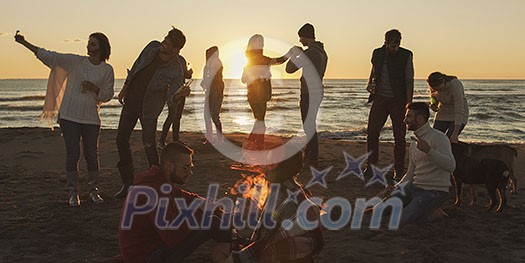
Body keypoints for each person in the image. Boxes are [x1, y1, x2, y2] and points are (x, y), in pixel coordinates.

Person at [15, 32, 115, 206]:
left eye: (93, 44)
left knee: (91, 155)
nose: (88, 47)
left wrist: (93, 88)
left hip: (91, 118)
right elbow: (50, 56)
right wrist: (25, 43)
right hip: (69, 116)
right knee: (73, 154)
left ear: (101, 47)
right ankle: (72, 193)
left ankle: (93, 191)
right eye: (88, 43)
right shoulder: (76, 62)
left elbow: (107, 95)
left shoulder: (107, 70)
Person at [118, 142, 231, 262]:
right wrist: (202, 214)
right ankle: (233, 250)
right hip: (146, 258)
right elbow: (171, 236)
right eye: (185, 168)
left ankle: (231, 246)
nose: (189, 172)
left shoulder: (161, 183)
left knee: (212, 218)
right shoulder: (153, 192)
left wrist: (215, 208)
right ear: (169, 166)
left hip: (152, 248)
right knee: (210, 221)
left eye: (191, 167)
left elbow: (190, 198)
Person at [115, 27, 190, 198]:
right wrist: (125, 88)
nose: (164, 42)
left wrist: (179, 94)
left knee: (149, 145)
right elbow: (136, 66)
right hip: (131, 102)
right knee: (121, 139)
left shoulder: (176, 68)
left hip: (149, 110)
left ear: (176, 49)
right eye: (165, 38)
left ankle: (158, 184)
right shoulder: (152, 47)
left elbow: (172, 99)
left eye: (168, 42)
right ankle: (128, 183)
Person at [233, 145, 324, 262]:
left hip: (285, 257)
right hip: (300, 254)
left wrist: (235, 257)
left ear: (282, 168)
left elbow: (261, 246)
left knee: (221, 252)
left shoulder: (280, 197)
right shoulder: (297, 191)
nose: (264, 167)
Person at [391, 102, 455, 226]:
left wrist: (429, 151)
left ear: (419, 119)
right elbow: (410, 173)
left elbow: (451, 166)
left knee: (400, 221)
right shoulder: (414, 144)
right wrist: (396, 187)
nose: (405, 120)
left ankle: (434, 213)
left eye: (408, 117)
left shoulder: (438, 138)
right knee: (379, 210)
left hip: (434, 192)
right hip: (414, 188)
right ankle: (422, 209)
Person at [364, 29, 414, 179]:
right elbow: (374, 71)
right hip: (379, 97)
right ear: (385, 43)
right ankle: (370, 167)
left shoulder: (406, 55)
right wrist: (369, 84)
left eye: (397, 45)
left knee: (399, 136)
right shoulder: (377, 53)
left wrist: (409, 104)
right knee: (372, 133)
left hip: (398, 100)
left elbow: (409, 80)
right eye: (392, 46)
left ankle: (398, 170)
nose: (395, 48)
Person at [286, 23, 328, 167]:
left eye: (300, 38)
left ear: (305, 37)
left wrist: (294, 54)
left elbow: (289, 69)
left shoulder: (310, 53)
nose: (300, 41)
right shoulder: (323, 52)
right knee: (310, 123)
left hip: (309, 92)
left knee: (308, 125)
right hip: (318, 90)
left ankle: (312, 158)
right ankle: (310, 155)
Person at [241, 34, 292, 149]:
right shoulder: (259, 59)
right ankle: (257, 145)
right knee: (260, 121)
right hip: (257, 93)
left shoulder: (251, 60)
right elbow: (280, 60)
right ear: (253, 44)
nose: (261, 44)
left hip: (257, 93)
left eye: (262, 42)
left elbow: (243, 80)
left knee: (259, 121)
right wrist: (291, 52)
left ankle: (251, 144)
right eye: (259, 42)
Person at [158, 57, 193, 147]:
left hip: (181, 90)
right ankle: (162, 140)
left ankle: (175, 140)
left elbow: (186, 76)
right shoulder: (170, 60)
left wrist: (189, 72)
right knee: (172, 116)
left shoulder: (181, 59)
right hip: (172, 92)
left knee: (177, 117)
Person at [427, 72, 469, 143]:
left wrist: (455, 134)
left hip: (459, 113)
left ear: (443, 82)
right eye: (435, 89)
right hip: (443, 111)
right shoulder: (433, 87)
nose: (438, 91)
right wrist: (433, 105)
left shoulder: (455, 85)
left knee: (448, 140)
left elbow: (459, 109)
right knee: (435, 138)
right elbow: (433, 98)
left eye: (439, 88)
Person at [200, 46, 225, 144]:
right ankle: (210, 138)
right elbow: (206, 78)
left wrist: (206, 82)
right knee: (207, 115)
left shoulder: (216, 62)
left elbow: (214, 77)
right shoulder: (207, 65)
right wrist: (204, 82)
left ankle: (219, 139)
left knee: (214, 115)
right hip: (210, 91)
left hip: (216, 90)